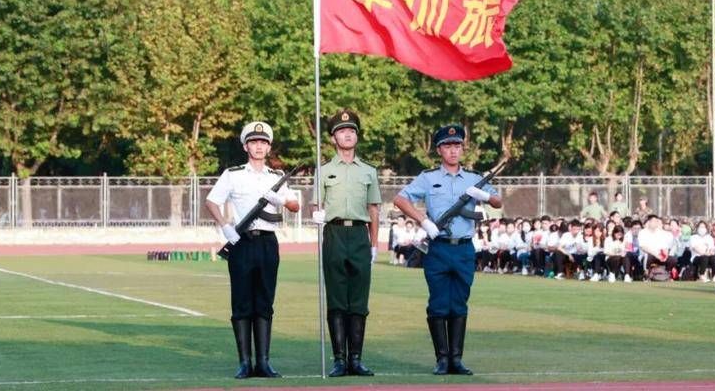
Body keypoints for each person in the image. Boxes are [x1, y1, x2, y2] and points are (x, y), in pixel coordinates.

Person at [394, 124, 502, 376]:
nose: (453, 151)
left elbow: (498, 201)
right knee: (438, 304)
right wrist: (424, 221)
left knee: (459, 304)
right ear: (439, 150)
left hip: (464, 248)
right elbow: (400, 199)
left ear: (463, 148)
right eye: (448, 146)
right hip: (439, 248)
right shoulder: (428, 178)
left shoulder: (475, 178)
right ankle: (442, 359)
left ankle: (456, 359)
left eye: (457, 146)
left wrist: (483, 196)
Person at [205, 121, 301, 379]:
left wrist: (280, 199)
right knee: (242, 302)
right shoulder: (233, 174)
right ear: (246, 146)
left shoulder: (277, 178)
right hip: (242, 243)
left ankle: (264, 363)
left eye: (263, 143)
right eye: (254, 142)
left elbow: (294, 206)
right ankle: (244, 363)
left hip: (268, 243)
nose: (259, 147)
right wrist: (226, 228)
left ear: (268, 147)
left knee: (265, 302)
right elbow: (212, 201)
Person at [311, 109, 380, 377]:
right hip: (335, 233)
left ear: (357, 136)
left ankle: (356, 359)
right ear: (333, 138)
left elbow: (374, 209)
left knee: (359, 300)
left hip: (359, 234)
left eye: (351, 130)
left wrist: (374, 244)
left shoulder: (368, 171)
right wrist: (316, 215)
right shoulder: (324, 169)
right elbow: (316, 205)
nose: (347, 134)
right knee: (338, 297)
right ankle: (339, 359)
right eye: (341, 131)